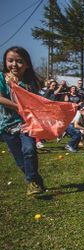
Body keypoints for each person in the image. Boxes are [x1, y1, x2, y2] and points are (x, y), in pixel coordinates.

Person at [0, 46, 46, 195]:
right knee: (21, 161)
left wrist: (17, 86)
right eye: (10, 60)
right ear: (5, 62)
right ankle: (37, 180)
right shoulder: (1, 78)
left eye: (19, 61)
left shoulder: (30, 83)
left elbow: (33, 101)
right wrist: (17, 107)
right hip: (6, 126)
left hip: (27, 123)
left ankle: (31, 183)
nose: (14, 64)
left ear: (27, 65)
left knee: (29, 150)